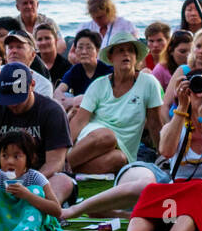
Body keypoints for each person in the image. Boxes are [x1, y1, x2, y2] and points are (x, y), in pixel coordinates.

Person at [126, 73, 202, 231]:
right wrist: (181, 107)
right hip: (177, 205)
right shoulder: (173, 127)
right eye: (194, 89)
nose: (199, 94)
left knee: (199, 188)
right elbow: (166, 151)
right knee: (152, 189)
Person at [0, 61, 74, 204]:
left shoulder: (52, 111)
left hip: (42, 176)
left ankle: (37, 208)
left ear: (32, 85)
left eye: (18, 99)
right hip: (2, 174)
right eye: (8, 98)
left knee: (63, 181)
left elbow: (55, 162)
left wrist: (30, 181)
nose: (13, 104)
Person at [67, 33, 163, 175]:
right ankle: (62, 163)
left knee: (119, 160)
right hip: (95, 136)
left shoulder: (149, 83)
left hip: (123, 147)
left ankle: (68, 169)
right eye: (120, 50)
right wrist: (63, 148)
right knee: (108, 136)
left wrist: (162, 154)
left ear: (136, 57)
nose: (126, 54)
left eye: (130, 50)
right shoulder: (98, 85)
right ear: (111, 58)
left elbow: (155, 122)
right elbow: (80, 120)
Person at [0, 130, 63, 231]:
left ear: (29, 158)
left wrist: (28, 195)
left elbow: (57, 210)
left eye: (16, 156)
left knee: (35, 191)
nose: (10, 161)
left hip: (33, 228)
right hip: (3, 226)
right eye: (4, 156)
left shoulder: (35, 178)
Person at [160, 28, 202, 122]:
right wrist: (170, 129)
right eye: (198, 46)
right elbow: (165, 106)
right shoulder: (183, 70)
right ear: (193, 49)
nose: (201, 51)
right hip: (177, 120)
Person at [53, 29, 111, 118]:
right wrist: (64, 101)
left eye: (89, 47)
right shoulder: (75, 70)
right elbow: (58, 91)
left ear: (97, 50)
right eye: (80, 47)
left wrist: (74, 100)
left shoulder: (108, 71)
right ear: (75, 50)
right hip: (79, 112)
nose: (84, 52)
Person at [33, 21, 70, 86]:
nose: (43, 42)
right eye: (39, 39)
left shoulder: (66, 67)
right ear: (36, 43)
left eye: (47, 38)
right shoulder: (31, 63)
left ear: (56, 40)